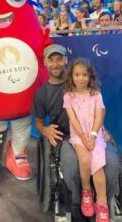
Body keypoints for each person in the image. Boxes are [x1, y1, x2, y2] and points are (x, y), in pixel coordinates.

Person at [32, 44, 120, 221]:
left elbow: (100, 110)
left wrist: (99, 129)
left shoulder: (81, 81)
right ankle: (77, 202)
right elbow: (39, 123)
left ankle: (105, 202)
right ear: (45, 63)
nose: (56, 64)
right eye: (51, 59)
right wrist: (45, 130)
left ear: (66, 61)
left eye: (59, 59)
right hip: (66, 136)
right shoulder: (42, 93)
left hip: (93, 132)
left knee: (111, 163)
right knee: (71, 165)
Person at [63, 58, 109, 221]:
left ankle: (102, 204)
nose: (80, 78)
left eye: (84, 74)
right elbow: (72, 119)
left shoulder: (96, 95)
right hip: (78, 135)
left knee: (98, 166)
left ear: (90, 76)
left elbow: (99, 116)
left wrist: (94, 135)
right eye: (77, 74)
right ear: (71, 76)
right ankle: (86, 191)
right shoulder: (68, 96)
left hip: (94, 134)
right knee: (84, 160)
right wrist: (83, 136)